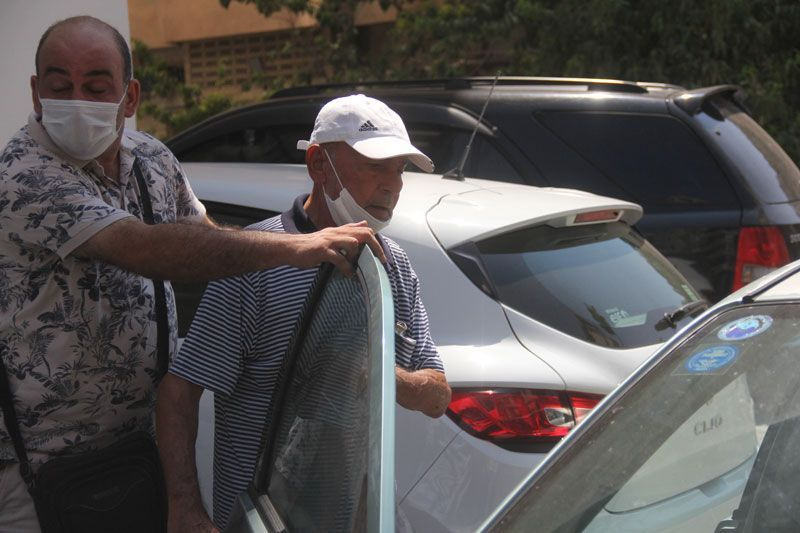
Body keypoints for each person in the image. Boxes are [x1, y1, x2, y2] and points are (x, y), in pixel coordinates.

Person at [0, 17, 383, 531]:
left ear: (129, 97)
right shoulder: (24, 175)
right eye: (59, 85)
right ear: (35, 91)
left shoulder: (152, 160)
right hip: (43, 470)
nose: (76, 99)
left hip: (140, 452)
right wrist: (296, 246)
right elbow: (143, 248)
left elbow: (208, 242)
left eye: (95, 86)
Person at [157, 94, 452, 532]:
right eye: (375, 166)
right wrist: (185, 509)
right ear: (318, 164)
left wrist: (378, 374)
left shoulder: (394, 267)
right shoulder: (253, 262)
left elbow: (437, 396)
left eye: (400, 168)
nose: (394, 185)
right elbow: (180, 392)